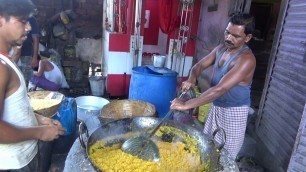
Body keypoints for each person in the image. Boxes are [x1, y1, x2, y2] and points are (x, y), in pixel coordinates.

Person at [170, 13, 256, 160]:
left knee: (225, 156)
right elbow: (198, 66)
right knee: (208, 148)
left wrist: (186, 104)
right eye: (227, 32)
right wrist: (191, 79)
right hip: (216, 106)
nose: (229, 38)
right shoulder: (221, 49)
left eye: (236, 36)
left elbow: (220, 89)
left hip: (234, 113)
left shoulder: (246, 60)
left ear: (247, 38)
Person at [0, 0, 65, 171]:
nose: (29, 27)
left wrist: (39, 120)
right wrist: (40, 132)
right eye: (22, 21)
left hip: (23, 157)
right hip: (13, 164)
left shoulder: (6, 61)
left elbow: (13, 109)